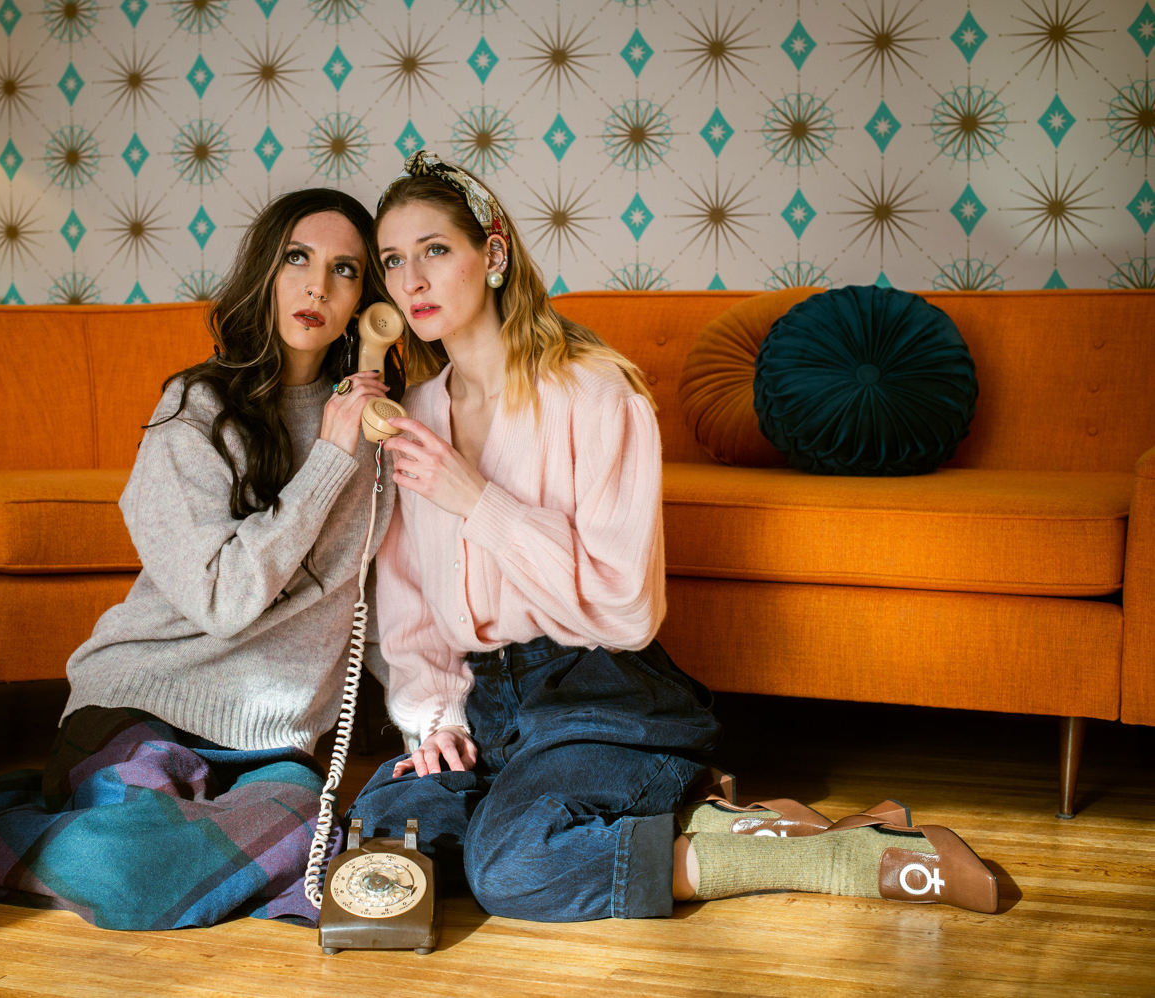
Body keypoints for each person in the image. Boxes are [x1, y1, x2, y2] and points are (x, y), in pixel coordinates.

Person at [346, 151, 998, 921]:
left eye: (435, 250)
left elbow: (624, 611)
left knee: (514, 865)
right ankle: (710, 816)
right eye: (393, 260)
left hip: (597, 689)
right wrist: (434, 722)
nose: (412, 280)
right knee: (385, 834)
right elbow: (409, 602)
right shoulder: (409, 417)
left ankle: (850, 858)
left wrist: (475, 497)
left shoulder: (596, 391)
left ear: (492, 254)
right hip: (482, 702)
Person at [0, 188, 403, 931]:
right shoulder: (196, 412)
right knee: (128, 875)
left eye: (345, 271)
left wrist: (425, 720)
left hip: (271, 744)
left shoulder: (379, 434)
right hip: (145, 705)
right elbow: (222, 599)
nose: (317, 285)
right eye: (297, 259)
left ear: (367, 304)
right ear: (263, 273)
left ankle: (55, 807)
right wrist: (329, 461)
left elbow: (378, 597)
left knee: (310, 831)